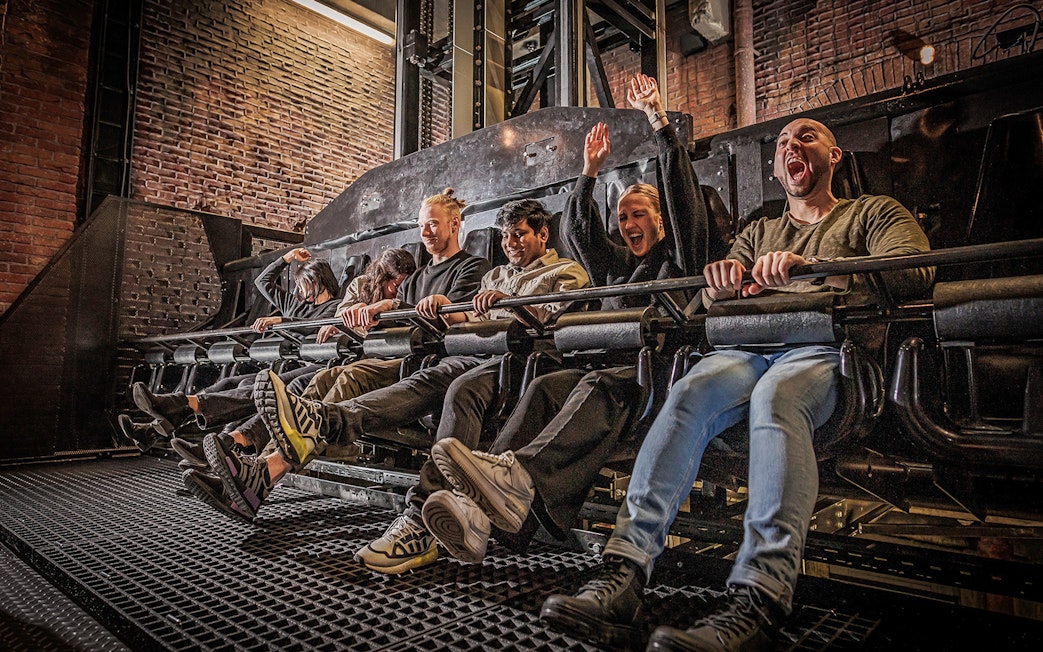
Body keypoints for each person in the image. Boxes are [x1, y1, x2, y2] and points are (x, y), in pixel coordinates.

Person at [523, 117, 935, 651]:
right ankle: (624, 568)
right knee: (689, 392)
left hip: (826, 349)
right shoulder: (760, 231)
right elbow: (716, 293)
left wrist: (818, 268)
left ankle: (759, 596)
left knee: (777, 397)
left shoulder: (871, 213)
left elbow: (915, 270)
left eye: (807, 137)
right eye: (783, 142)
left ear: (834, 158)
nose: (793, 145)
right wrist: (720, 284)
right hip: (746, 348)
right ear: (776, 167)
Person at [418, 74, 711, 566]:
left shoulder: (680, 256)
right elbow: (579, 228)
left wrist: (658, 122)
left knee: (594, 386)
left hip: (656, 371)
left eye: (638, 214)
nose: (628, 224)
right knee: (545, 387)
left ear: (659, 221)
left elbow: (684, 201)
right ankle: (478, 510)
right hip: (605, 364)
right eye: (622, 218)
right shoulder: (620, 266)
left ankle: (507, 488)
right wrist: (590, 171)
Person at [208, 198, 589, 570]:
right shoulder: (494, 275)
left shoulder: (561, 272)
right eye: (505, 235)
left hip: (513, 361)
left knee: (443, 386)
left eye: (519, 234)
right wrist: (371, 313)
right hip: (464, 352)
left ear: (543, 235)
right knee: (327, 375)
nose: (510, 243)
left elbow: (552, 322)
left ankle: (416, 514)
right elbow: (444, 316)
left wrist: (500, 306)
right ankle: (264, 460)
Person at [193, 188, 492, 520]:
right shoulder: (418, 276)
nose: (425, 233)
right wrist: (377, 308)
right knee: (322, 379)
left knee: (347, 376)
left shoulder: (472, 266)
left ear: (454, 223)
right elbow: (401, 307)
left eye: (433, 225)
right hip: (394, 352)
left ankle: (263, 472)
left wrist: (442, 305)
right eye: (422, 226)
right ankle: (255, 469)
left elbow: (462, 319)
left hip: (426, 357)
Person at [174, 248, 417, 521]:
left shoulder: (411, 289)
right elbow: (341, 314)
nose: (394, 289)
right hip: (345, 358)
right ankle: (253, 468)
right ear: (379, 276)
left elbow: (415, 313)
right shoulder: (360, 288)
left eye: (399, 284)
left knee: (305, 385)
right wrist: (354, 314)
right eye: (391, 283)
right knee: (308, 386)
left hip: (374, 361)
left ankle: (251, 466)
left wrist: (386, 306)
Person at [122, 248, 342, 453]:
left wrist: (280, 320)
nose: (299, 290)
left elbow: (314, 327)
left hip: (314, 366)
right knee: (230, 383)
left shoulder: (337, 306)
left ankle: (189, 426)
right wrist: (287, 258)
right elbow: (262, 281)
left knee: (253, 387)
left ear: (316, 281)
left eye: (302, 284)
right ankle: (158, 428)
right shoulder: (295, 304)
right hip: (294, 362)